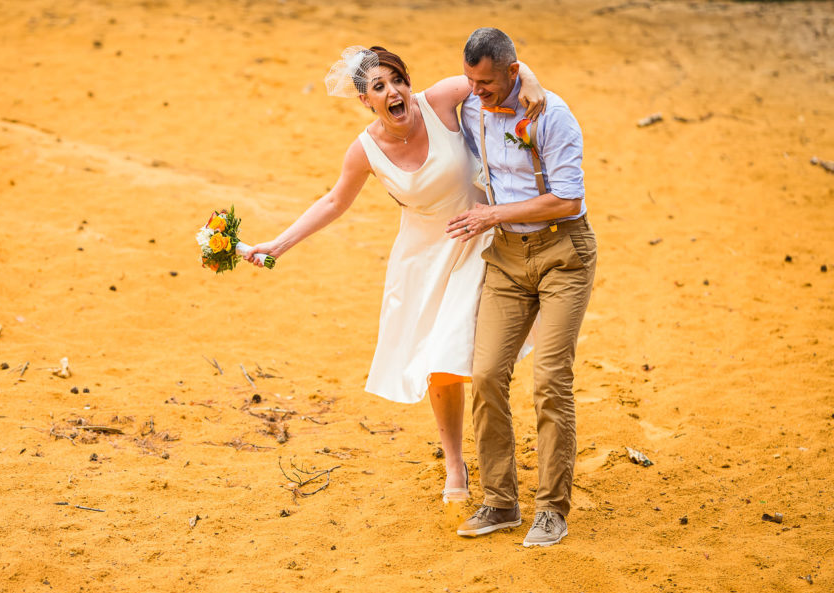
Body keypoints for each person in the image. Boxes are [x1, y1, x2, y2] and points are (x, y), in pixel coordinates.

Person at [245, 46, 543, 504]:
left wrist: (534, 84)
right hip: (422, 259)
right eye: (379, 87)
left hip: (480, 237)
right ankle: (454, 462)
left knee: (477, 356)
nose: (393, 91)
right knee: (439, 365)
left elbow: (497, 77)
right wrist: (277, 245)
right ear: (366, 100)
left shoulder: (440, 100)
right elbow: (332, 203)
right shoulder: (364, 150)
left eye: (397, 81)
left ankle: (501, 456)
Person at [447, 28, 596, 547]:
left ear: (512, 72)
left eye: (486, 81)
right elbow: (420, 101)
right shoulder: (470, 105)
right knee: (486, 374)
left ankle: (552, 508)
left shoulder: (552, 115)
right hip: (507, 258)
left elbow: (568, 201)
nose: (476, 90)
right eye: (470, 80)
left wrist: (492, 212)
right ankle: (501, 500)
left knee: (552, 380)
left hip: (562, 255)